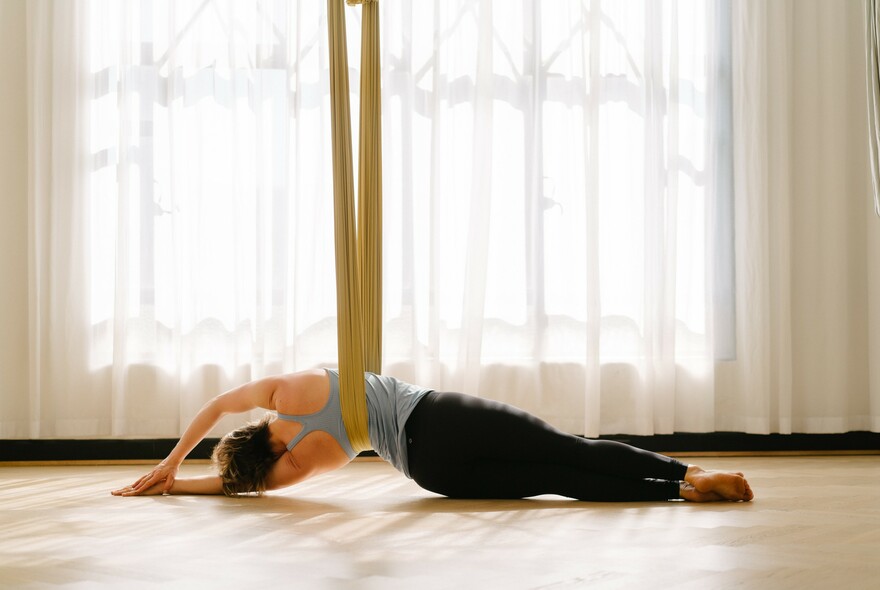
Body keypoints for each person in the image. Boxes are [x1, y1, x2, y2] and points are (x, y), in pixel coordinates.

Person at [112, 368, 754, 503]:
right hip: (442, 415)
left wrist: (176, 489)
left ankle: (676, 494)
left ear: (256, 462)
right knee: (569, 449)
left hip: (433, 471)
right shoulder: (288, 391)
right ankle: (684, 473)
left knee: (558, 479)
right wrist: (171, 460)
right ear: (253, 429)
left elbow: (232, 489)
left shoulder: (301, 465)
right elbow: (215, 406)